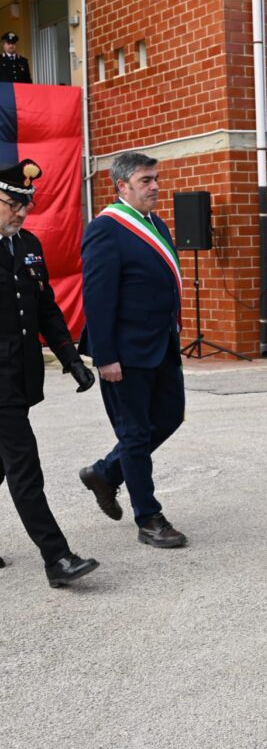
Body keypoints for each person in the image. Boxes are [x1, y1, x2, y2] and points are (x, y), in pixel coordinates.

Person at [78, 152, 187, 547]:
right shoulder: (106, 228)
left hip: (161, 346)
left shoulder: (155, 223)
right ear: (122, 186)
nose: (155, 186)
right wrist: (105, 356)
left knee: (171, 417)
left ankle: (105, 472)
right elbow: (98, 297)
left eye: (155, 178)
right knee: (136, 434)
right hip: (124, 353)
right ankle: (149, 518)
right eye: (146, 180)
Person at [0, 159, 98, 586]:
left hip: (19, 376)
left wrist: (71, 358)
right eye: (11, 204)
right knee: (24, 468)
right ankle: (57, 559)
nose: (20, 213)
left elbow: (46, 310)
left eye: (26, 205)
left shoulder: (28, 245)